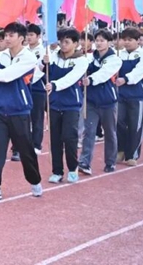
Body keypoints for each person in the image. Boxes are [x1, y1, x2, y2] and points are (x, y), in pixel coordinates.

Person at [0, 22, 43, 201]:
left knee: (26, 151)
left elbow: (10, 75)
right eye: (6, 35)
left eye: (11, 35)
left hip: (19, 111)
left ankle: (35, 180)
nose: (7, 38)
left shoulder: (29, 58)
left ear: (21, 38)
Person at [44, 28, 87, 184]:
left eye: (67, 42)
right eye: (61, 41)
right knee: (55, 139)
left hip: (71, 105)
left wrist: (55, 85)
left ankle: (73, 169)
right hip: (54, 104)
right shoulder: (53, 56)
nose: (63, 45)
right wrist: (43, 63)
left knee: (69, 138)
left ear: (75, 43)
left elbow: (72, 78)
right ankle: (57, 171)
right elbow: (41, 72)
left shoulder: (82, 60)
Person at [79, 30, 121, 175]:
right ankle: (84, 162)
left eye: (102, 40)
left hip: (108, 101)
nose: (99, 43)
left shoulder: (114, 59)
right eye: (97, 40)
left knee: (110, 132)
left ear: (109, 42)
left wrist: (90, 79)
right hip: (91, 100)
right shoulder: (89, 57)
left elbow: (104, 74)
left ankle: (110, 162)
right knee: (89, 132)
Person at [115, 28, 143, 166]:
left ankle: (132, 154)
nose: (127, 42)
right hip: (120, 94)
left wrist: (126, 79)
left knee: (136, 125)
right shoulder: (119, 54)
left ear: (137, 41)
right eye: (125, 39)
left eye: (130, 40)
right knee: (118, 122)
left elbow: (139, 71)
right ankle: (121, 149)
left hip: (137, 94)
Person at [26, 24, 47, 155]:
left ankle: (37, 144)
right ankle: (24, 143)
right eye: (27, 35)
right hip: (25, 86)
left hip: (38, 87)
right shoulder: (24, 50)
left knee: (37, 117)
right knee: (25, 117)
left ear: (38, 36)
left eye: (31, 35)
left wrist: (31, 79)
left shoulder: (44, 51)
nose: (29, 37)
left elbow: (40, 70)